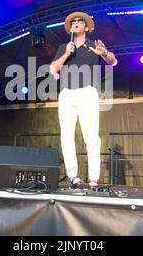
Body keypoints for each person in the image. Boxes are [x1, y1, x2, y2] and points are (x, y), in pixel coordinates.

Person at [50, 12, 116, 188]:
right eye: (73, 22)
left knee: (91, 136)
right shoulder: (65, 46)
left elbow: (112, 60)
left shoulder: (93, 45)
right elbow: (53, 69)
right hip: (67, 94)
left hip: (87, 92)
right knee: (66, 136)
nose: (76, 23)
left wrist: (104, 53)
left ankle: (94, 178)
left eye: (80, 21)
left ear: (86, 27)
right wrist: (65, 54)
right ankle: (74, 177)